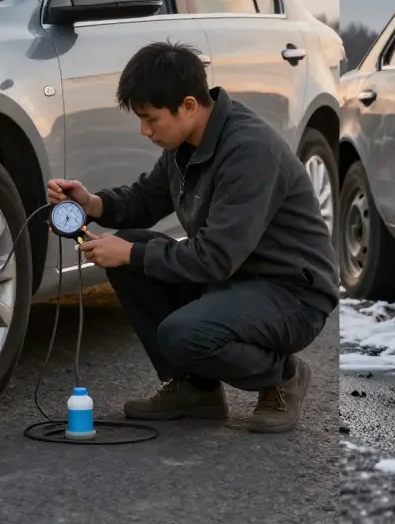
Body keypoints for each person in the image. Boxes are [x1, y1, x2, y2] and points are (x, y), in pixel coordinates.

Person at [46, 41, 338, 434]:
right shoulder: (187, 142)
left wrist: (130, 253)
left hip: (292, 294)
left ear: (187, 105)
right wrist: (92, 204)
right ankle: (195, 390)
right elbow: (147, 199)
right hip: (236, 280)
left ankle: (282, 376)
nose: (144, 131)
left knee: (179, 327)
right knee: (133, 246)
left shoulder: (250, 151)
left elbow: (215, 257)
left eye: (150, 119)